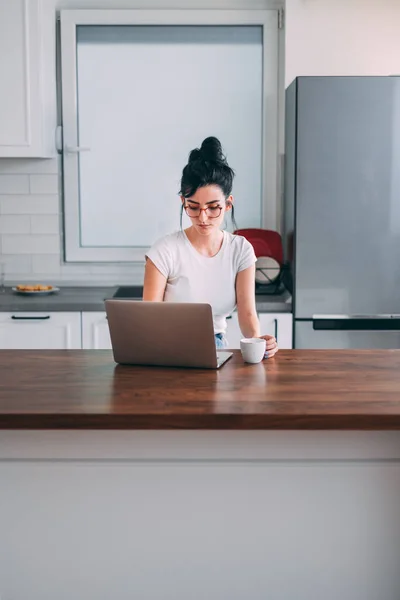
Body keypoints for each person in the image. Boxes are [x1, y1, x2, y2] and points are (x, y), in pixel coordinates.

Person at [143, 136, 278, 358]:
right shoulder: (164, 251)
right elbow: (148, 318)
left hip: (215, 346)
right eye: (193, 207)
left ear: (228, 204)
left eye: (213, 207)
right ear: (183, 202)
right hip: (167, 347)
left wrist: (258, 342)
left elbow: (246, 312)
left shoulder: (241, 250)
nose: (203, 217)